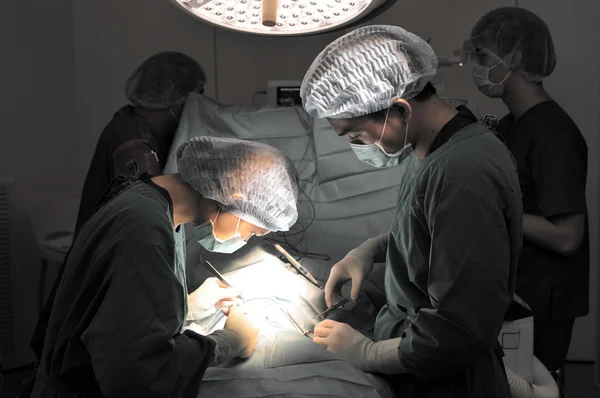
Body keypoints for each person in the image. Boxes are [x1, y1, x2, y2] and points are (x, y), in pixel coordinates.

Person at [300, 25, 523, 398]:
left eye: (356, 136)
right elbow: (441, 238)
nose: (359, 147)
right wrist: (375, 249)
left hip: (448, 381)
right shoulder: (435, 150)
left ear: (400, 109)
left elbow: (459, 330)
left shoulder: (462, 170)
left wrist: (367, 352)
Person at [20, 137, 299, 397]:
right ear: (235, 198)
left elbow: (113, 308)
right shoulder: (145, 229)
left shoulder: (155, 205)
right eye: (254, 230)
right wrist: (231, 339)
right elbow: (138, 373)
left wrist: (187, 305)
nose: (246, 238)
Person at [465, 7, 589, 390]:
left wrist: (500, 208)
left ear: (514, 60)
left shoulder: (554, 134)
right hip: (516, 289)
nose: (475, 67)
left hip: (542, 301)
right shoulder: (510, 125)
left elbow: (568, 237)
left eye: (483, 57)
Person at [75, 51, 207, 236]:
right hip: (109, 258)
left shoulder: (134, 123)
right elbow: (149, 212)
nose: (200, 106)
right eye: (197, 97)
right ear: (174, 99)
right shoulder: (134, 145)